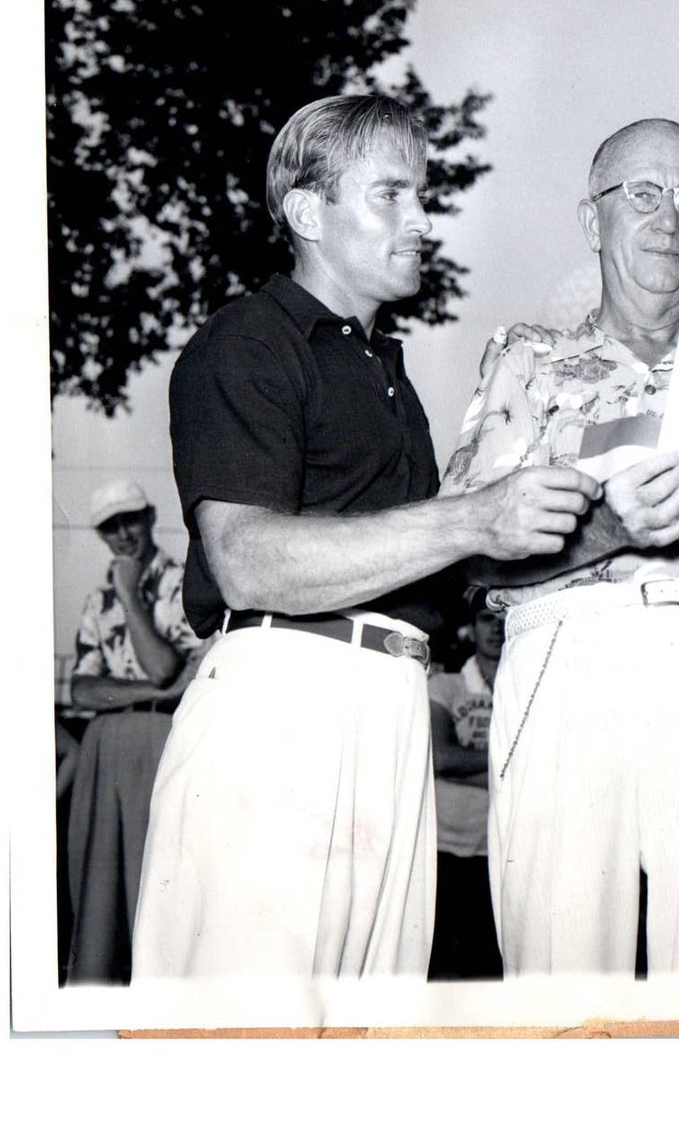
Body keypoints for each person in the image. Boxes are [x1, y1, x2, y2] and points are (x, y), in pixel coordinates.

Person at [132, 95, 599, 980]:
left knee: (362, 1051)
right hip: (283, 704)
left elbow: (442, 559)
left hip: (392, 710)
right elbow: (245, 558)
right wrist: (470, 514)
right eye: (392, 194)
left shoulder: (386, 372)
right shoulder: (248, 343)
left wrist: (601, 515)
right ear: (308, 211)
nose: (422, 220)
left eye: (422, 196)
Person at [440, 117, 679, 975]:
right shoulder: (527, 358)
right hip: (569, 656)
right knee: (561, 974)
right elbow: (467, 555)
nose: (668, 220)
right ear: (592, 220)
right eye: (642, 195)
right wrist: (606, 528)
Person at [64, 479, 202, 983]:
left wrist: (128, 594)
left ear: (148, 517)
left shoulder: (184, 584)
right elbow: (81, 690)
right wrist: (155, 689)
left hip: (161, 741)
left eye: (130, 520)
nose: (122, 535)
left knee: (157, 878)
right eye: (109, 527)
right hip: (105, 747)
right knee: (97, 886)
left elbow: (163, 666)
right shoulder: (96, 601)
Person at [425, 593, 504, 980]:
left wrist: (463, 767)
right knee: (438, 968)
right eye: (487, 618)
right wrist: (511, 766)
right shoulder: (445, 685)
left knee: (487, 969)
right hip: (445, 847)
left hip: (501, 847)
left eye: (505, 617)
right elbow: (442, 758)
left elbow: (456, 763)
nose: (498, 626)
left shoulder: (524, 686)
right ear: (471, 628)